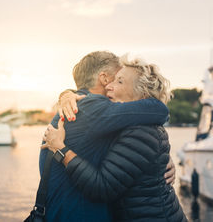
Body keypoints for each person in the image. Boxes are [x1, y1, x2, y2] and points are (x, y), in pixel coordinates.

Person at [43, 56, 186, 221]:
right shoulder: (123, 123)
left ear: (142, 94)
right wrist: (66, 95)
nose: (109, 86)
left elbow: (102, 188)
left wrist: (60, 149)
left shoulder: (140, 132)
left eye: (119, 82)